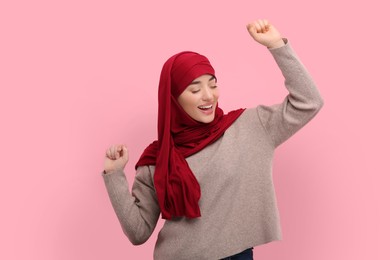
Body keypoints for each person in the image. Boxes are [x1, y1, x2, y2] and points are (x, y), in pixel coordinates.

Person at [102, 19, 323, 260]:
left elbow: (308, 102)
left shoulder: (250, 127)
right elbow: (138, 233)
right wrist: (114, 176)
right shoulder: (157, 158)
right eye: (195, 90)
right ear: (173, 98)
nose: (208, 96)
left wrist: (277, 46)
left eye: (213, 85)